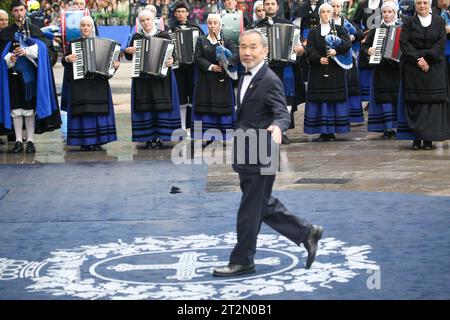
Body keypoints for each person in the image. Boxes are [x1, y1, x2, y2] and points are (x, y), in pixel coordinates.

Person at [212, 29, 323, 277]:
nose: (247, 52)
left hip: (261, 153)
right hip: (246, 151)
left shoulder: (270, 79)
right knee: (262, 205)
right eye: (242, 47)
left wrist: (278, 127)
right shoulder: (244, 75)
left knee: (249, 211)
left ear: (265, 50)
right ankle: (307, 232)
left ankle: (242, 260)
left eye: (253, 47)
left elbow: (282, 113)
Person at [0, 0, 60, 153]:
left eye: (21, 10)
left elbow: (45, 54)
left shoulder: (34, 30)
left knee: (29, 110)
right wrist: (9, 59)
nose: (19, 14)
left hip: (31, 78)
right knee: (16, 109)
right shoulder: (6, 33)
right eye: (16, 11)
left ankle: (31, 140)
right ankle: (18, 140)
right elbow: (1, 58)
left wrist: (27, 52)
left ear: (25, 10)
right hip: (13, 76)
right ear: (12, 13)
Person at [251, 0, 306, 144]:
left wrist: (299, 51)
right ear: (264, 6)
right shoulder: (256, 27)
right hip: (265, 68)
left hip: (285, 67)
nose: (270, 6)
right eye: (267, 3)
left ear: (277, 6)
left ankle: (282, 131)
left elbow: (298, 47)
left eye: (272, 3)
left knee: (286, 98)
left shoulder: (288, 24)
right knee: (265, 99)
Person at [124, 10, 180, 149]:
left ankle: (162, 137)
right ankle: (148, 138)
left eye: (148, 19)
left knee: (161, 107)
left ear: (153, 20)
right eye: (143, 21)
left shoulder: (164, 34)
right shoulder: (137, 37)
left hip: (161, 79)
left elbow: (175, 56)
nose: (146, 22)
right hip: (142, 79)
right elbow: (129, 57)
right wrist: (127, 51)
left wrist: (172, 60)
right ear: (140, 23)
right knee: (145, 107)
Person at [398, 0, 450, 149]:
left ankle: (429, 139)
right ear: (415, 5)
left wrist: (426, 58)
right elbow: (404, 43)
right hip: (413, 68)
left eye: (425, 2)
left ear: (429, 4)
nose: (422, 5)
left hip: (434, 67)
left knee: (431, 104)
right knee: (416, 103)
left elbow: (441, 42)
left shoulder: (439, 21)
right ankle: (416, 139)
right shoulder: (408, 22)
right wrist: (418, 59)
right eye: (419, 2)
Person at [61, 16, 119, 151]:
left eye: (88, 25)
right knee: (83, 113)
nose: (85, 27)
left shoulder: (103, 44)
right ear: (80, 28)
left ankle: (98, 141)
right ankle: (84, 142)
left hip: (98, 85)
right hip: (80, 85)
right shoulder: (73, 44)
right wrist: (67, 59)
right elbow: (65, 63)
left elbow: (109, 71)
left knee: (97, 113)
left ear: (92, 28)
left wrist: (115, 67)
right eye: (83, 25)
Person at [304, 2, 352, 141]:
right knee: (320, 100)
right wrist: (318, 59)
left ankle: (332, 131)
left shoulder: (339, 29)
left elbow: (347, 44)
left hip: (335, 70)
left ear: (332, 14)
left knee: (333, 99)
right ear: (319, 14)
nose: (325, 14)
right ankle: (322, 131)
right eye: (323, 12)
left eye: (328, 12)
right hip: (318, 71)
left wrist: (336, 50)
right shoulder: (313, 31)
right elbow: (310, 49)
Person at [191, 13, 238, 145]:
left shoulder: (227, 40)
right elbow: (198, 58)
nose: (212, 26)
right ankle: (208, 136)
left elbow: (235, 55)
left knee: (222, 108)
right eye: (210, 23)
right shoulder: (201, 40)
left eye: (215, 23)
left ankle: (224, 136)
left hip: (222, 80)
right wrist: (211, 67)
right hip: (206, 80)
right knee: (206, 109)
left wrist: (227, 63)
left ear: (220, 25)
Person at [363, 0, 400, 138]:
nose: (387, 14)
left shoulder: (401, 29)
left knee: (396, 98)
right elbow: (364, 48)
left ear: (394, 13)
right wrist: (369, 50)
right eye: (384, 12)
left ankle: (398, 127)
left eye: (390, 12)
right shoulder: (376, 30)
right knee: (384, 98)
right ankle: (387, 128)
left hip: (397, 71)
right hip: (381, 70)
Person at [169, 1, 204, 136]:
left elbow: (202, 45)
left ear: (188, 13)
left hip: (194, 68)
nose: (181, 14)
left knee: (194, 96)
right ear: (175, 14)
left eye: (183, 11)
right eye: (178, 12)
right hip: (178, 68)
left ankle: (194, 127)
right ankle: (182, 127)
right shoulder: (170, 30)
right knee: (181, 97)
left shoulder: (195, 28)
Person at [332, 0, 365, 124]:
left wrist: (351, 37)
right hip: (332, 59)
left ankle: (353, 116)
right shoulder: (325, 23)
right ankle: (338, 115)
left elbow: (360, 34)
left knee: (350, 86)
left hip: (346, 56)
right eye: (333, 6)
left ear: (341, 8)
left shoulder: (346, 22)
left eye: (337, 6)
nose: (335, 9)